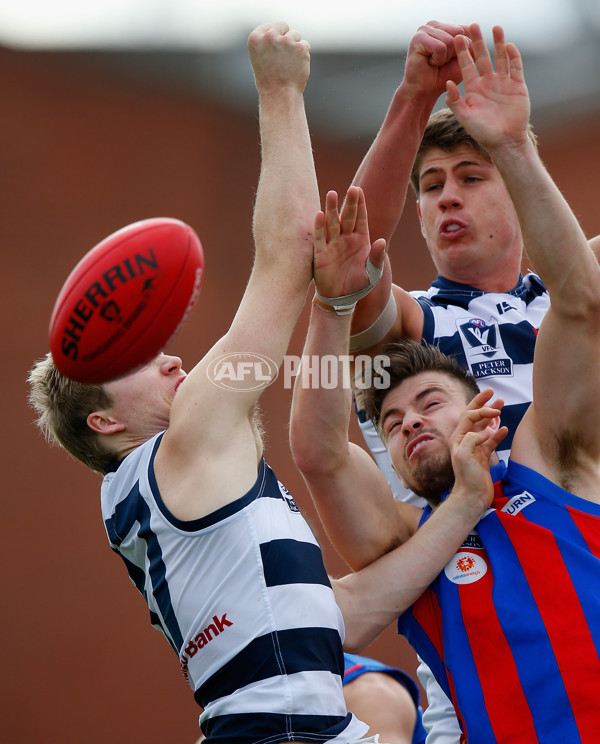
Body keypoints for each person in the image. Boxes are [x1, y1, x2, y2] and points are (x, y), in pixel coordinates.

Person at [28, 22, 484, 744]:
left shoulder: (183, 503)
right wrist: (279, 89)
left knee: (384, 697)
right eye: (143, 360)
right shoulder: (184, 444)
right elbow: (286, 255)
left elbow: (341, 614)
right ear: (105, 422)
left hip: (290, 727)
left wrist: (461, 511)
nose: (176, 361)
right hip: (285, 734)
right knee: (382, 698)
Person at [290, 23, 600, 742]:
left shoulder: (572, 290)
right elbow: (349, 257)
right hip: (470, 619)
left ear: (517, 192)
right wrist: (411, 99)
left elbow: (579, 290)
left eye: (470, 176)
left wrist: (513, 143)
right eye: (431, 187)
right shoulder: (407, 328)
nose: (447, 199)